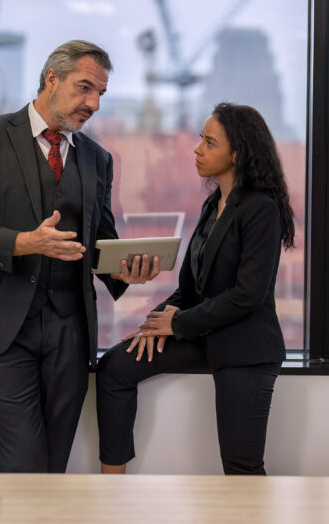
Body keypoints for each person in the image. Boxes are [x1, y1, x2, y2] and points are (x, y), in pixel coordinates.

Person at [0, 40, 160, 473]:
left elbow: (100, 243)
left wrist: (128, 271)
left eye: (100, 94)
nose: (93, 103)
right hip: (3, 327)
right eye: (84, 88)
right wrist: (25, 242)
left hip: (70, 331)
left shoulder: (97, 158)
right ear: (51, 79)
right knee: (23, 466)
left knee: (54, 467)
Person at [95, 102, 294, 476]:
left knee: (241, 468)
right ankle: (112, 485)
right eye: (201, 139)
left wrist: (179, 324)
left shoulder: (261, 209)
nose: (196, 149)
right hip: (204, 333)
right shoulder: (212, 205)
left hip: (245, 348)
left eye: (209, 142)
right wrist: (156, 322)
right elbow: (189, 287)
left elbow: (247, 295)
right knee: (114, 367)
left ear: (237, 153)